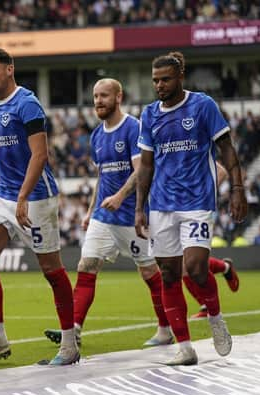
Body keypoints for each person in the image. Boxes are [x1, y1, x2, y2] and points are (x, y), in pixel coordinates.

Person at [0, 48, 79, 366]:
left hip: (37, 199)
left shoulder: (27, 103)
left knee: (52, 272)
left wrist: (23, 197)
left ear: (10, 69)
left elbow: (40, 155)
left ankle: (69, 346)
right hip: (4, 198)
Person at [135, 51, 248, 366]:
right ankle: (185, 348)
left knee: (196, 268)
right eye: (155, 80)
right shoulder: (149, 114)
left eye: (165, 79)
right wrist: (139, 208)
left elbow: (227, 150)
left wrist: (237, 189)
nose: (159, 85)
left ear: (180, 76)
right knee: (169, 275)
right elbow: (145, 166)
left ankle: (215, 316)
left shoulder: (203, 106)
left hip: (197, 201)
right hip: (160, 205)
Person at [43, 78, 172, 349]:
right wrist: (91, 211)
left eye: (104, 96)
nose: (98, 101)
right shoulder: (96, 135)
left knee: (150, 272)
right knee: (86, 266)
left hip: (132, 217)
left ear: (118, 97)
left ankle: (165, 328)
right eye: (95, 96)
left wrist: (120, 196)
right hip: (104, 217)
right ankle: (75, 329)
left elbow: (142, 170)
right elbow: (102, 177)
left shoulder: (133, 128)